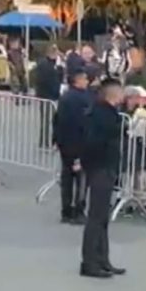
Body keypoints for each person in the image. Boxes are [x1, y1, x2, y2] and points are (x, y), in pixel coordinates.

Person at [79, 78, 126, 278]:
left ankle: (102, 258)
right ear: (114, 95)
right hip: (101, 168)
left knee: (102, 217)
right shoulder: (101, 115)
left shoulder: (106, 113)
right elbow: (94, 142)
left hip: (105, 167)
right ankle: (89, 261)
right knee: (96, 217)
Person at [54, 70, 92, 224]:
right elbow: (85, 123)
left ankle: (66, 210)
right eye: (85, 78)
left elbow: (57, 120)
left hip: (65, 144)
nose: (87, 81)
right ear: (78, 81)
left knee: (67, 177)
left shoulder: (65, 98)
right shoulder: (85, 99)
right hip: (81, 143)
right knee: (82, 178)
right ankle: (79, 210)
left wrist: (56, 139)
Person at [123, 86, 146, 216]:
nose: (137, 100)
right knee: (131, 176)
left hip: (142, 146)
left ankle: (144, 202)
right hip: (128, 147)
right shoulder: (123, 110)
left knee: (143, 176)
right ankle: (131, 202)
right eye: (134, 98)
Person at [34, 44, 63, 148]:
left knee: (47, 120)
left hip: (46, 95)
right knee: (46, 120)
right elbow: (51, 80)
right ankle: (45, 142)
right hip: (47, 95)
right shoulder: (47, 65)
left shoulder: (46, 64)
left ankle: (46, 142)